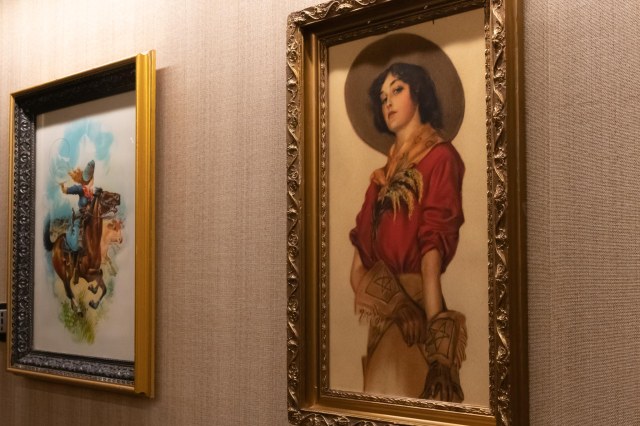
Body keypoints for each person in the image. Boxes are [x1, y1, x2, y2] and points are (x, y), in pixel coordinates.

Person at [349, 63, 467, 402]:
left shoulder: (440, 158)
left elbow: (431, 256)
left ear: (419, 93)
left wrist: (439, 353)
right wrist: (397, 305)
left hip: (421, 317)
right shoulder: (378, 183)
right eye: (382, 96)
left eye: (397, 89)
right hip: (389, 319)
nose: (387, 101)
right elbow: (357, 271)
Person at [59, 160, 99, 283]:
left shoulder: (93, 191)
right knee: (77, 241)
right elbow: (66, 191)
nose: (89, 181)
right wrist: (62, 186)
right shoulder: (80, 189)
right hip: (80, 215)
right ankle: (74, 261)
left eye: (90, 179)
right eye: (87, 179)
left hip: (90, 216)